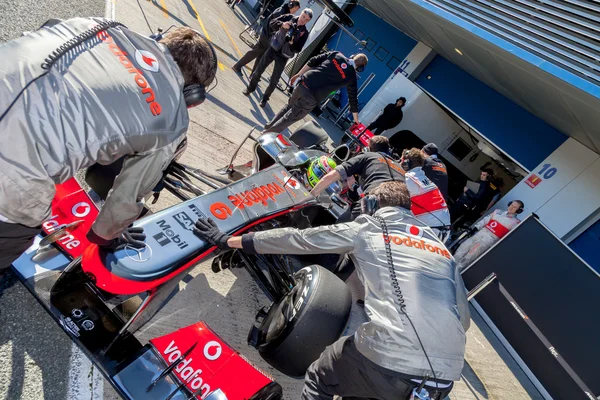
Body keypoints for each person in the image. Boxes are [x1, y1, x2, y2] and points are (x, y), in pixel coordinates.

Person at [193, 181, 470, 400]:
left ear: (373, 202)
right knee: (360, 388)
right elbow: (464, 320)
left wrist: (229, 241)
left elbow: (299, 239)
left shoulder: (372, 227)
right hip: (443, 380)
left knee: (319, 375)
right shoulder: (443, 250)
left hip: (389, 355)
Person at [0, 18, 217, 270]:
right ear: (192, 94)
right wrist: (107, 235)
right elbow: (129, 192)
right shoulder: (173, 119)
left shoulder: (98, 25)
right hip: (11, 185)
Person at [263, 51, 368, 134]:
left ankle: (269, 126)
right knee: (291, 117)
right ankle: (266, 134)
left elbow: (313, 60)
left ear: (352, 56)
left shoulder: (336, 54)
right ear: (360, 68)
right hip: (313, 96)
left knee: (289, 106)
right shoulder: (352, 76)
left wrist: (298, 74)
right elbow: (353, 99)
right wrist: (356, 120)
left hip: (303, 83)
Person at [310, 136, 404, 220]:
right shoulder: (401, 169)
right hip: (399, 214)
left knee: (339, 229)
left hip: (375, 202)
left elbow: (333, 175)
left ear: (370, 149)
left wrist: (311, 196)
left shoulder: (368, 156)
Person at [244, 8, 312, 107]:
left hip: (284, 55)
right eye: (303, 16)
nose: (303, 20)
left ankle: (265, 99)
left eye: (306, 19)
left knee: (274, 80)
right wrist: (282, 25)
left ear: (308, 21)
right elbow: (272, 22)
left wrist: (292, 44)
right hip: (273, 47)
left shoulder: (304, 33)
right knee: (258, 70)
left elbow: (298, 49)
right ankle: (250, 89)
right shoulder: (289, 17)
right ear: (300, 13)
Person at [232, 0, 301, 75]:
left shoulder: (284, 12)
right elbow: (273, 24)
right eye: (296, 9)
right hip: (267, 35)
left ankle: (253, 74)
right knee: (255, 52)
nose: (295, 12)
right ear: (291, 5)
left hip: (268, 36)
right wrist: (282, 25)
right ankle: (237, 66)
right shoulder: (281, 12)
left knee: (261, 56)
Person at [454, 200, 524, 271]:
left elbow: (509, 238)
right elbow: (485, 220)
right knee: (462, 248)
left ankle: (455, 271)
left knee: (469, 257)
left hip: (486, 242)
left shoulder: (516, 223)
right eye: (511, 205)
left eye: (514, 207)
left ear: (518, 211)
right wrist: (475, 228)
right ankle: (448, 264)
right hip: (479, 234)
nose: (511, 207)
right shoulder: (498, 212)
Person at [401, 148, 450, 232]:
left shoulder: (409, 178)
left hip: (430, 229)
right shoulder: (423, 177)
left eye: (401, 161)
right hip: (444, 228)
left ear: (406, 164)